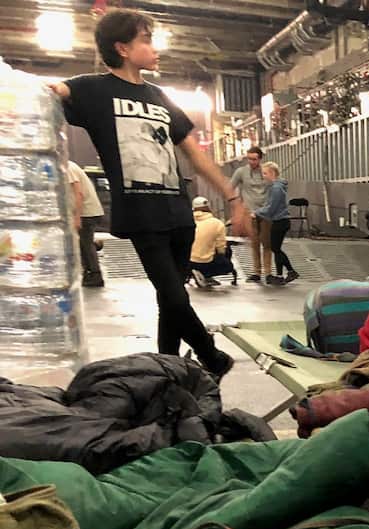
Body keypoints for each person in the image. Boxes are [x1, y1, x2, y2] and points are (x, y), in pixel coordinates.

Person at [47, 8, 246, 377]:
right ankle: (211, 356)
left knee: (169, 301)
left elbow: (194, 154)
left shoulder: (160, 97)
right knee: (173, 295)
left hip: (178, 212)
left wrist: (232, 198)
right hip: (142, 214)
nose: (155, 49)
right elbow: (56, 94)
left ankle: (167, 368)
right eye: (146, 40)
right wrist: (53, 91)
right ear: (122, 48)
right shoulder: (92, 89)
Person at [229, 146, 271, 283]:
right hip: (249, 212)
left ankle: (269, 272)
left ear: (260, 159)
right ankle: (256, 273)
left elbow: (275, 186)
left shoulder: (266, 171)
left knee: (267, 244)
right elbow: (230, 187)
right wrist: (237, 204)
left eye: (254, 159)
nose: (252, 162)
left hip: (265, 212)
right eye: (249, 159)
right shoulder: (241, 172)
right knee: (254, 244)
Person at [257, 161, 298, 285]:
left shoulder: (276, 188)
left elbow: (271, 208)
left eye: (265, 173)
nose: (263, 176)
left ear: (272, 173)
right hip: (281, 220)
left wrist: (257, 212)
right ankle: (280, 275)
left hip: (280, 221)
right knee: (276, 249)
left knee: (276, 249)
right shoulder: (278, 186)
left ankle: (291, 271)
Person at [66, 160, 104, 288]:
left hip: (86, 213)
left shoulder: (68, 168)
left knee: (86, 244)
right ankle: (89, 272)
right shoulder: (69, 166)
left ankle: (95, 275)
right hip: (86, 212)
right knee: (82, 243)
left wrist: (77, 217)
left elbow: (79, 193)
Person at [188, 196, 236, 287]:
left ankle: (194, 272)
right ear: (208, 208)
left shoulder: (188, 221)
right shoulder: (217, 223)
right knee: (226, 258)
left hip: (188, 261)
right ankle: (207, 274)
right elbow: (221, 248)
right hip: (206, 262)